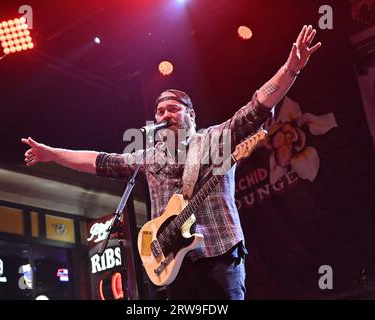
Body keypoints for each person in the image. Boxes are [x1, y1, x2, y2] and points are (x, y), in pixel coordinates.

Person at [22, 25, 321, 300]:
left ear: (191, 115)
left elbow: (256, 107)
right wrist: (51, 154)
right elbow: (100, 161)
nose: (165, 115)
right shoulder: (149, 158)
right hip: (173, 264)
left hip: (218, 253)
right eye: (160, 111)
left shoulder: (215, 140)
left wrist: (290, 69)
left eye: (173, 109)